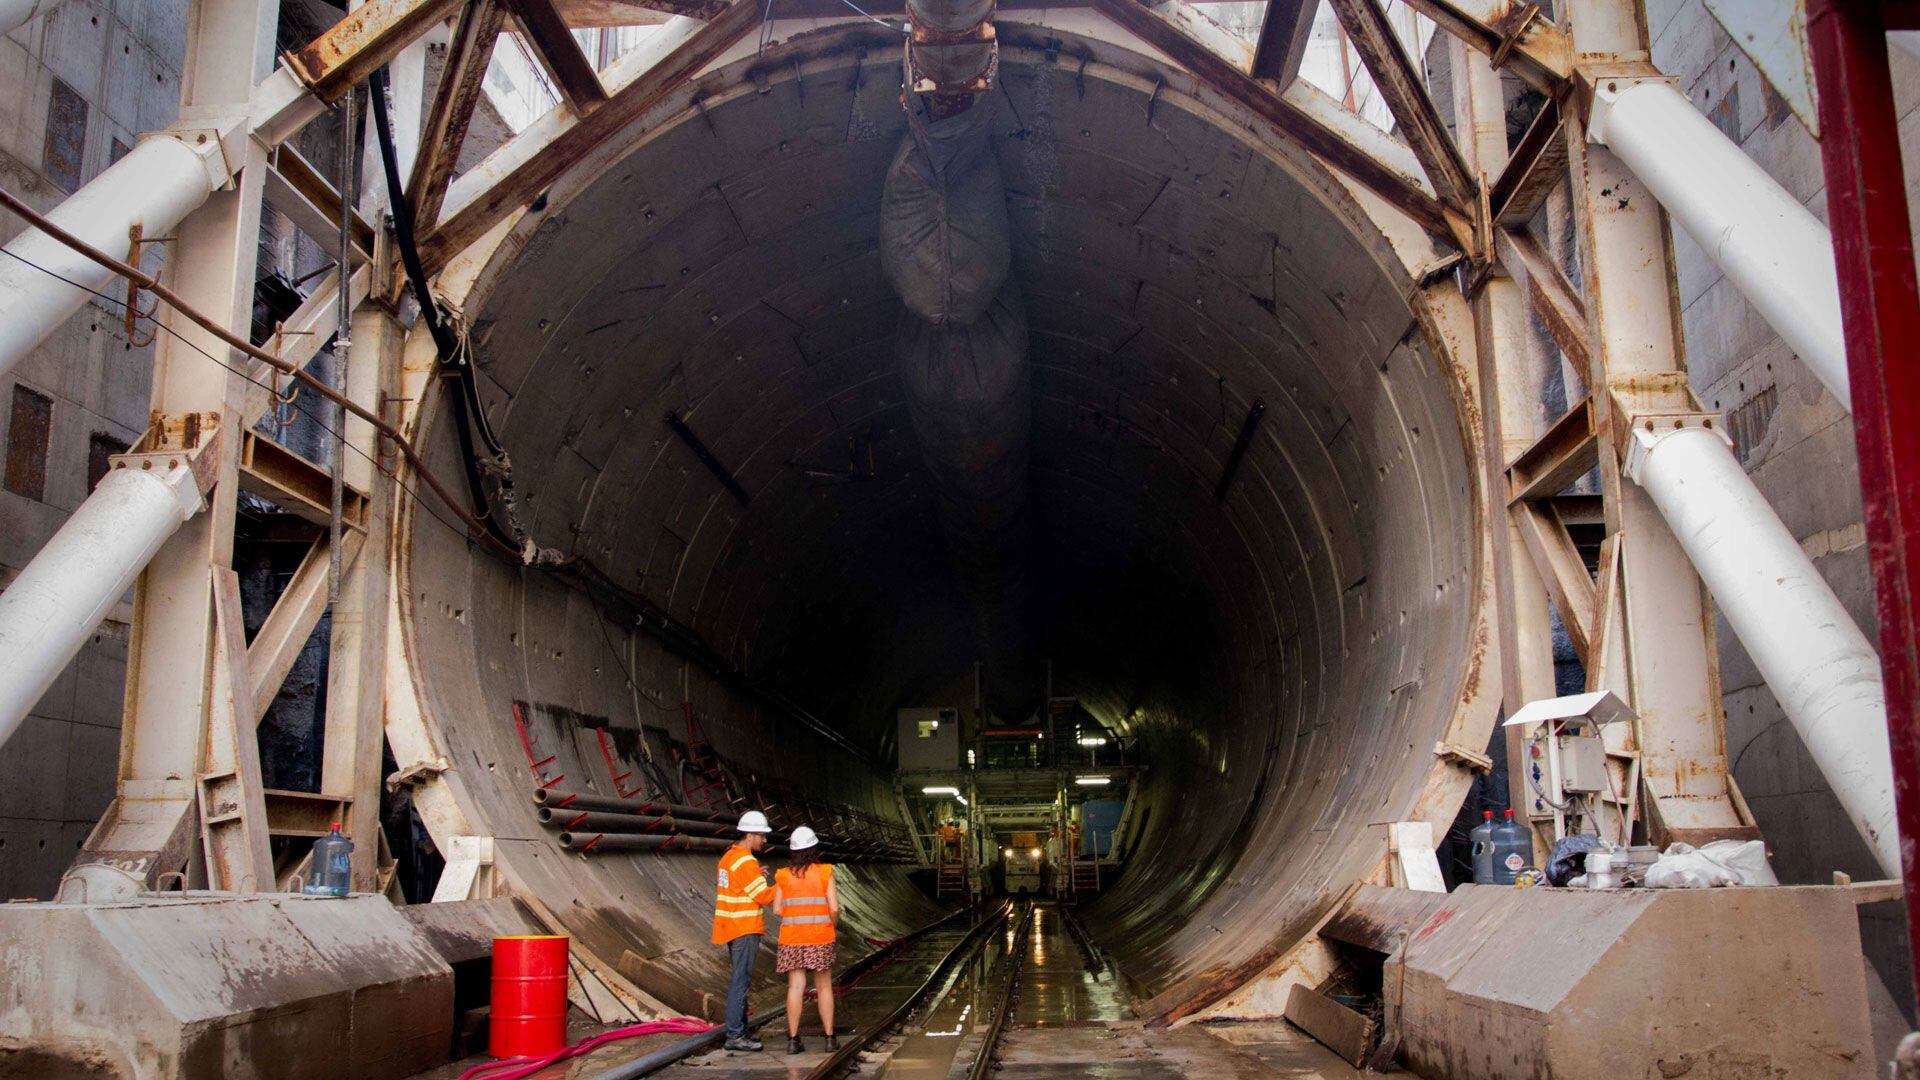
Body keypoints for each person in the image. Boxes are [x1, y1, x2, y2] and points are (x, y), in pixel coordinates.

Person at [772, 826, 840, 1054]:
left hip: (791, 938)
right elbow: (834, 908)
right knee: (823, 986)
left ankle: (793, 1040)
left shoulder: (782, 875)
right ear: (813, 848)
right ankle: (830, 1038)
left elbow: (776, 909)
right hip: (820, 936)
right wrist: (832, 925)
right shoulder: (825, 872)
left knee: (795, 987)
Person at [712, 809, 775, 1051]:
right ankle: (735, 1035)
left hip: (731, 926)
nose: (765, 840)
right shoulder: (748, 862)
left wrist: (754, 876)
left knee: (740, 979)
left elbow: (734, 885)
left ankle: (741, 1031)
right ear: (750, 835)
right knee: (741, 981)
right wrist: (786, 883)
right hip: (745, 927)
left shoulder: (728, 857)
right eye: (762, 836)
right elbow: (764, 896)